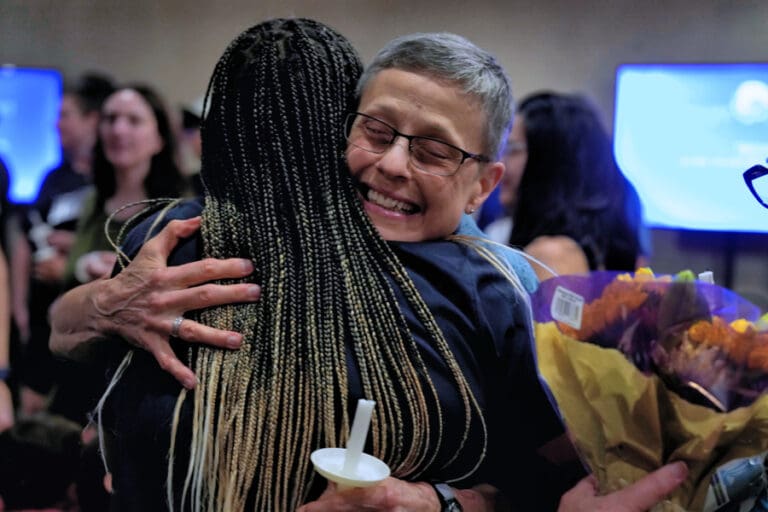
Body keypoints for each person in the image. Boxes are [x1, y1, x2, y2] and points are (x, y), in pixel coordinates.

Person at [49, 21, 686, 511]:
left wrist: (437, 502)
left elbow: (551, 479)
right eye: (376, 132)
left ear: (483, 185)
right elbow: (66, 331)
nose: (393, 166)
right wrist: (105, 303)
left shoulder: (500, 289)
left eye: (434, 150)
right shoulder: (189, 239)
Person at [11, 72, 115, 417]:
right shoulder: (53, 177)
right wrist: (19, 309)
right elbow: (27, 240)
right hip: (42, 320)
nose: (56, 124)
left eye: (65, 115)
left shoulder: (106, 183)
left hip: (87, 323)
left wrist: (74, 256)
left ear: (91, 120)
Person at [485, 92, 647, 280]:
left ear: (550, 163)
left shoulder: (554, 255)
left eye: (512, 150)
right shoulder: (569, 248)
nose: (500, 162)